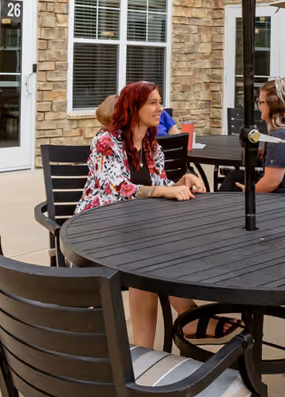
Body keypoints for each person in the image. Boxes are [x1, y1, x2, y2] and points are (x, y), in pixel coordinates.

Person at [76, 81, 212, 347]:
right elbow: (118, 187)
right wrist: (164, 192)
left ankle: (151, 348)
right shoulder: (105, 142)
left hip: (136, 229)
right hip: (97, 229)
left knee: (159, 257)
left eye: (159, 101)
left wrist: (181, 182)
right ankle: (185, 322)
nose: (160, 108)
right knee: (144, 265)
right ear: (133, 107)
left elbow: (159, 188)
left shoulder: (152, 147)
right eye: (153, 102)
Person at [226, 76, 285, 196]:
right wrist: (267, 153)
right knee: (235, 176)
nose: (258, 107)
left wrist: (248, 192)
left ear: (274, 106)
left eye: (261, 102)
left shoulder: (280, 136)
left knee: (232, 186)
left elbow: (271, 182)